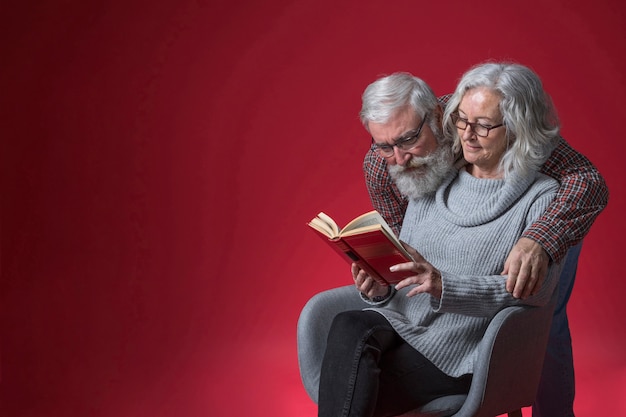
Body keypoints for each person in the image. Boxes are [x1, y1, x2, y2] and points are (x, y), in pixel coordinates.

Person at [316, 63, 602, 417]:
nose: (400, 158)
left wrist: (540, 240)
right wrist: (382, 285)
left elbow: (587, 181)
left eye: (408, 140)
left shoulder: (529, 171)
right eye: (385, 146)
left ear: (437, 118)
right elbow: (410, 265)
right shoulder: (400, 170)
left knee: (544, 327)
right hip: (422, 319)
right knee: (349, 326)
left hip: (537, 239)